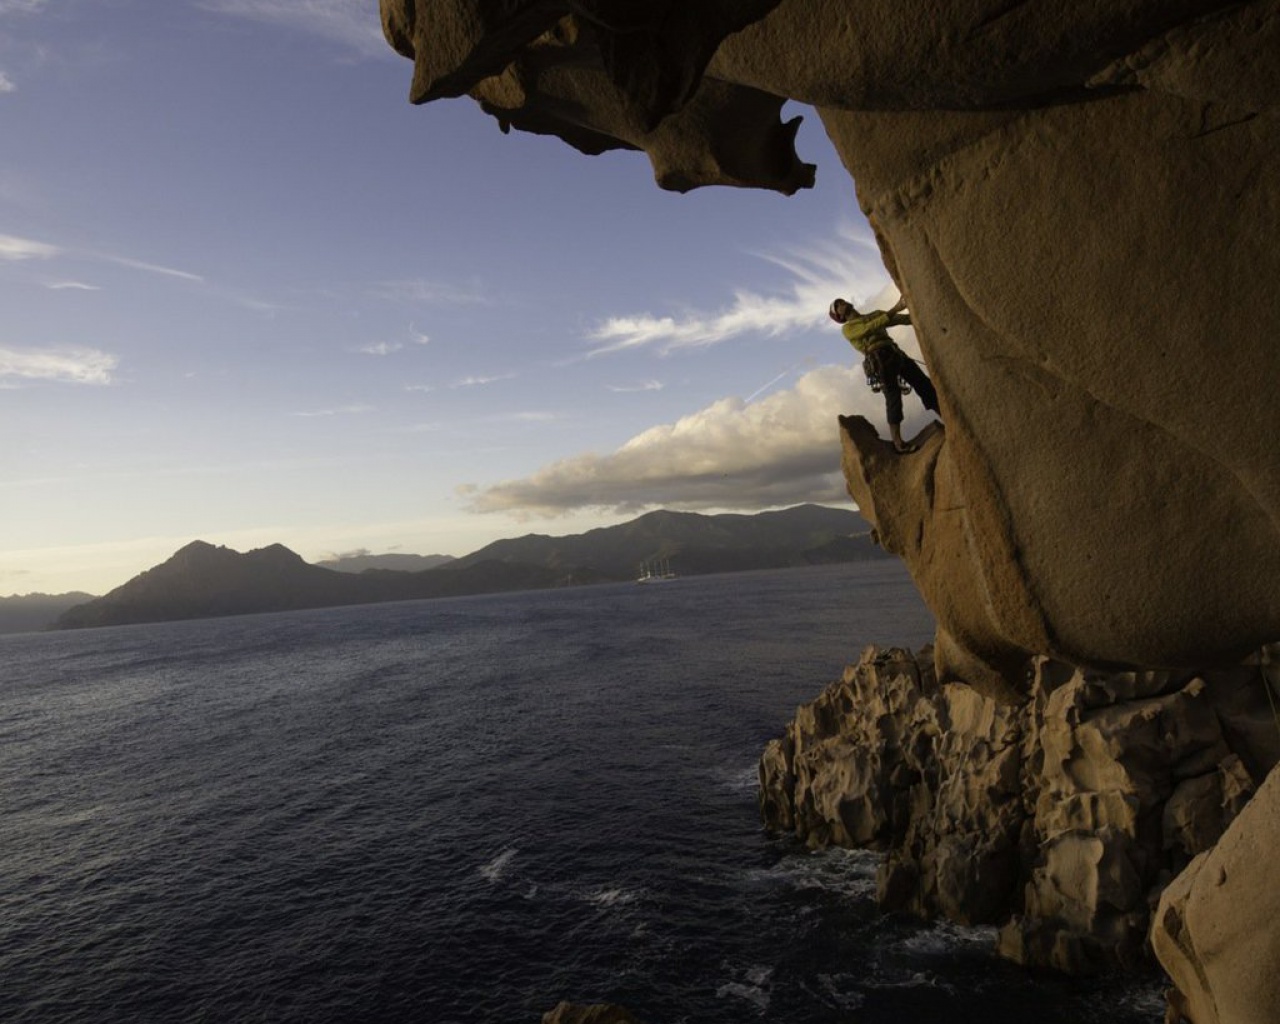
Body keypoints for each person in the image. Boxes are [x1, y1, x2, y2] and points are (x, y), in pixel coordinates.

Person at [828, 295, 939, 453]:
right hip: (879, 360)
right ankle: (898, 443)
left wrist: (922, 315)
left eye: (841, 301)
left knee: (924, 385)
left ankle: (947, 417)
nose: (842, 303)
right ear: (839, 316)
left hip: (895, 354)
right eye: (838, 305)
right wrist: (895, 308)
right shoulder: (848, 329)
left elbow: (901, 319)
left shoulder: (874, 315)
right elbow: (869, 328)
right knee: (893, 397)